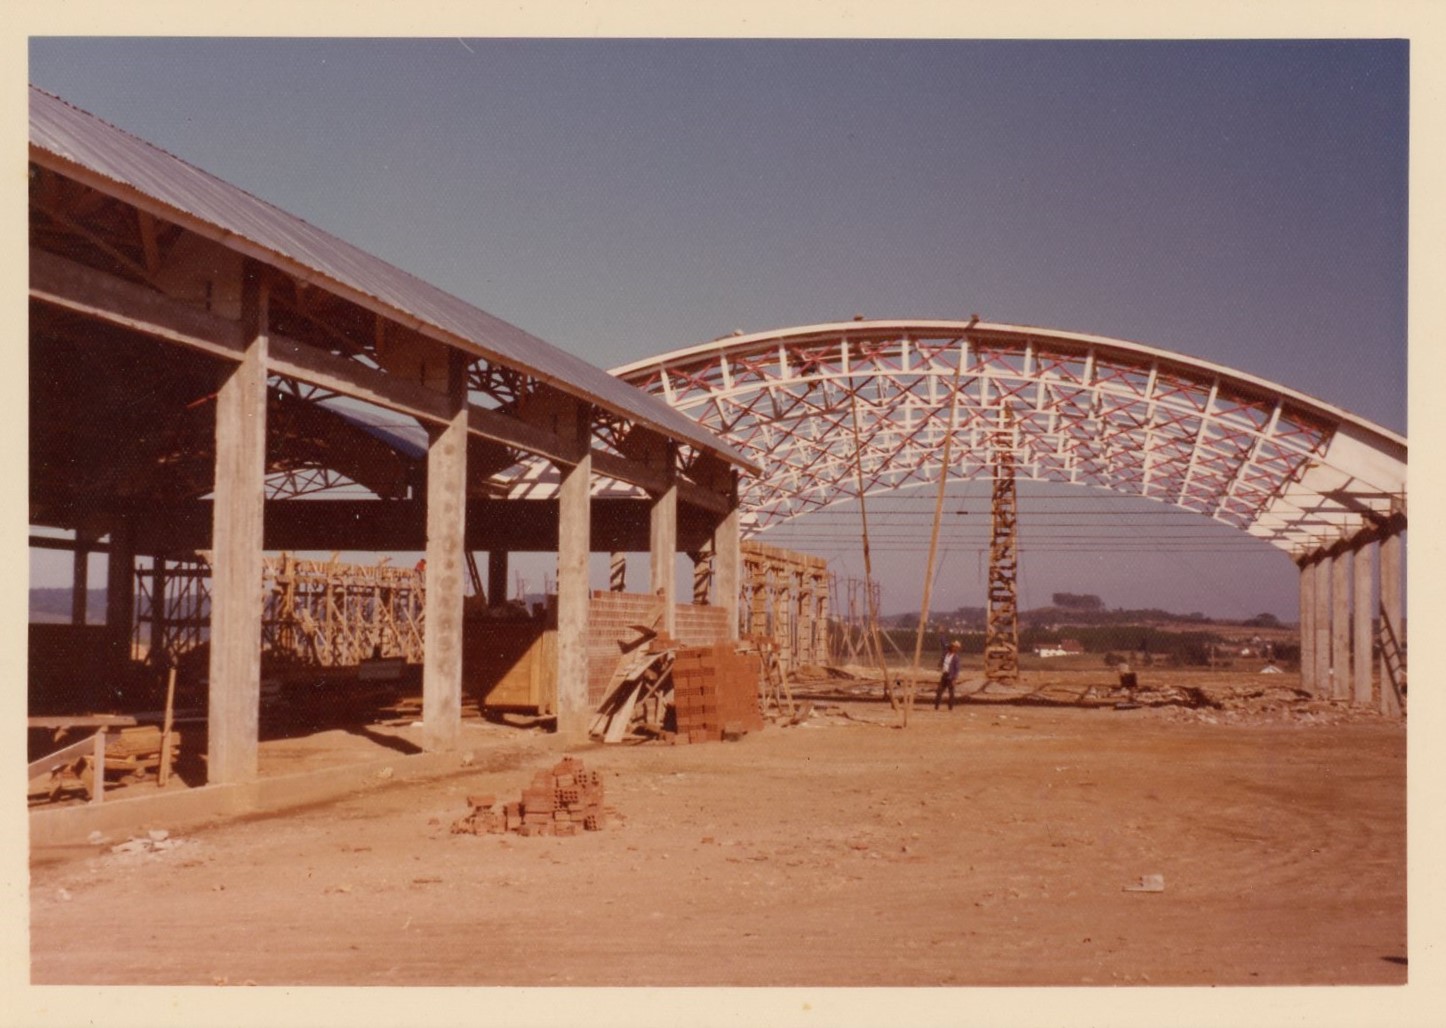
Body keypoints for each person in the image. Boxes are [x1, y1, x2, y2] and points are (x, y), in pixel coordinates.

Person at [935, 640, 962, 711]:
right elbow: (943, 644)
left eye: (955, 647)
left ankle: (950, 707)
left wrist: (954, 678)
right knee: (939, 691)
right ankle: (936, 706)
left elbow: (957, 669)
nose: (953, 648)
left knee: (951, 693)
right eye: (953, 646)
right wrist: (941, 635)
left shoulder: (956, 657)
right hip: (945, 674)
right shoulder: (946, 654)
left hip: (950, 676)